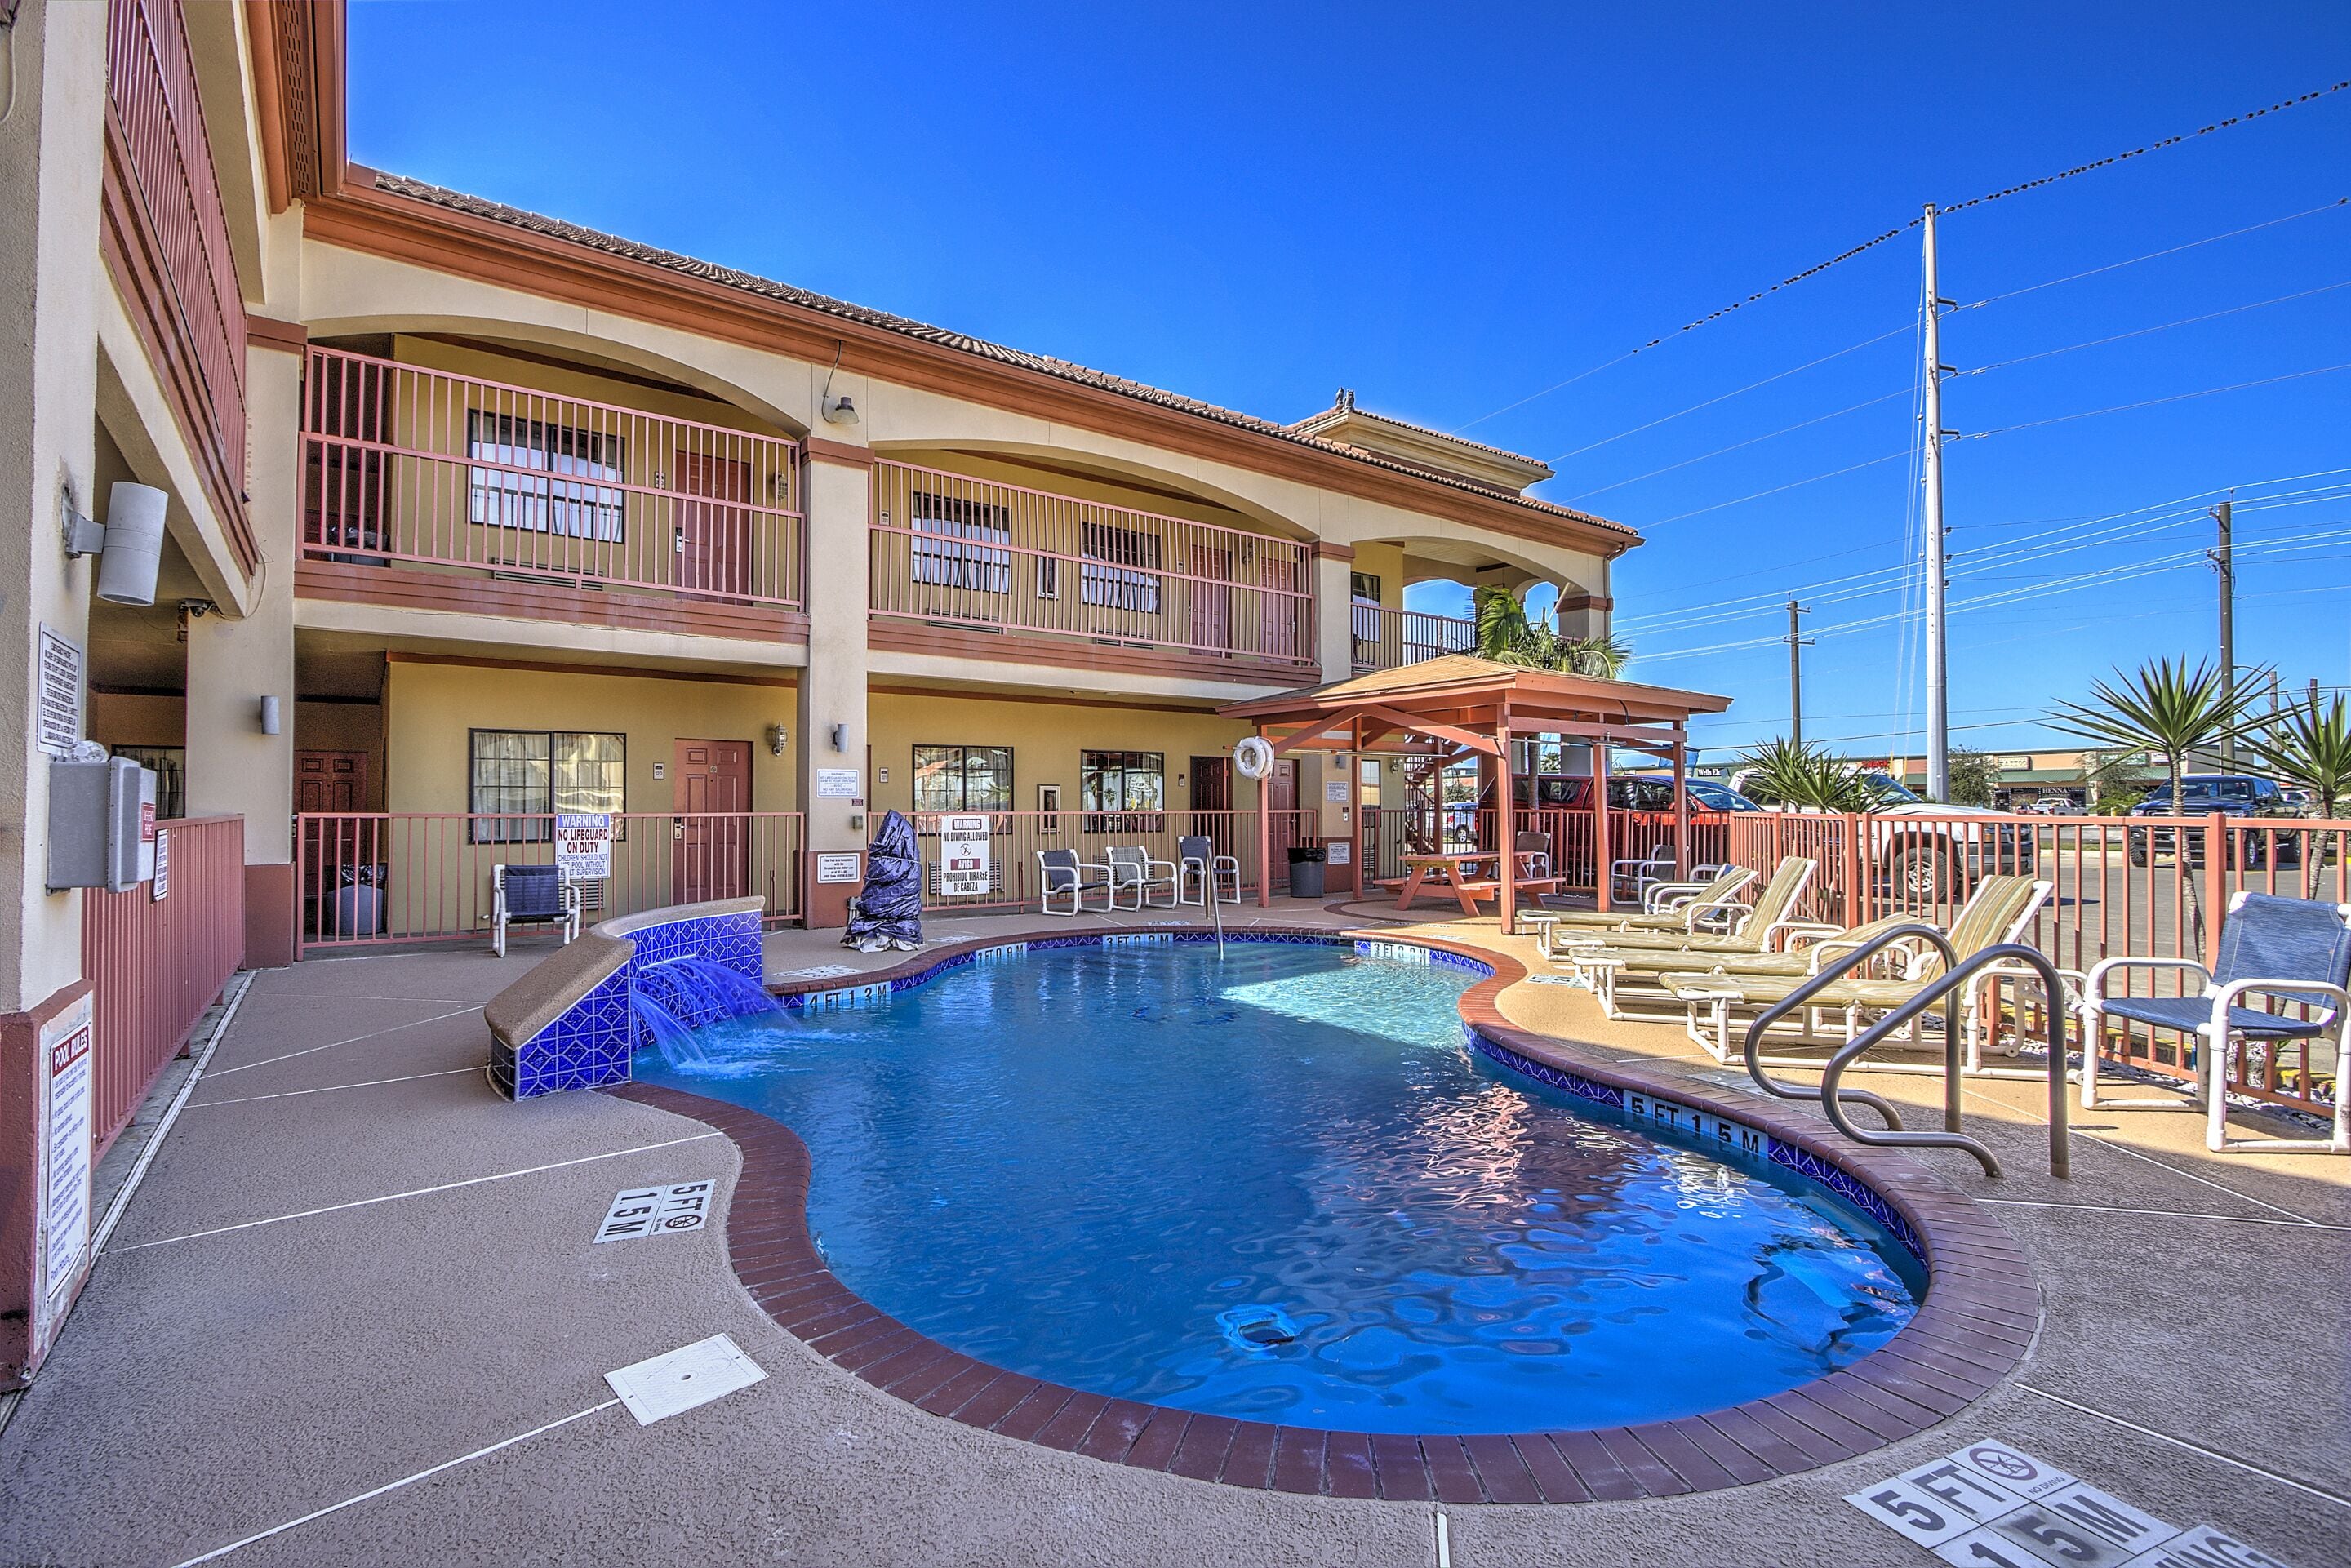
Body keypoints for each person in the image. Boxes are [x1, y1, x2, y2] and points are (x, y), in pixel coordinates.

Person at [843, 810, 922, 953]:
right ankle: (893, 935)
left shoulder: (884, 859)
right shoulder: (909, 860)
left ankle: (879, 934)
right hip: (902, 897)